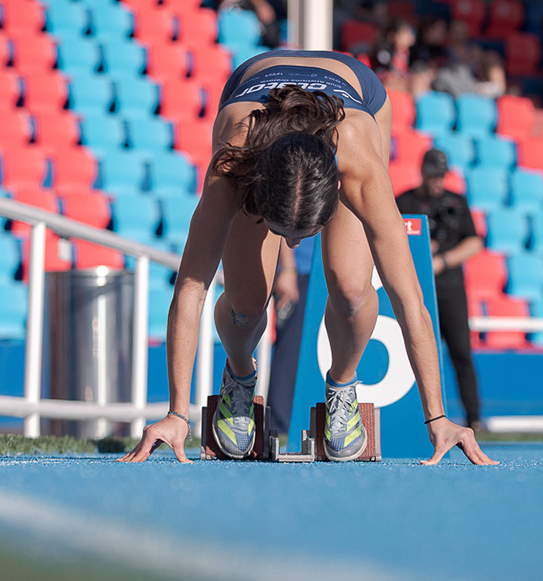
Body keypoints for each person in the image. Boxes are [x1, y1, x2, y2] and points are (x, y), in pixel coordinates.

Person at [119, 50, 495, 466]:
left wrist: (438, 417)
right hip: (252, 89)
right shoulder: (234, 160)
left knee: (352, 289)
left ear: (336, 192)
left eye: (305, 234)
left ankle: (343, 386)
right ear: (257, 194)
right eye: (283, 234)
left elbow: (409, 299)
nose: (294, 247)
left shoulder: (357, 159)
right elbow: (191, 288)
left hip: (359, 92)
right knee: (246, 302)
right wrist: (176, 412)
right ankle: (240, 377)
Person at [396, 149, 485, 431]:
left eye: (441, 176)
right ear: (422, 171)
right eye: (432, 175)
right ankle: (411, 416)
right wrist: (420, 255)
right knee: (411, 348)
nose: (436, 181)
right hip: (414, 286)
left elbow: (475, 242)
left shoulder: (456, 203)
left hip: (449, 288)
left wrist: (441, 261)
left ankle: (473, 416)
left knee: (461, 352)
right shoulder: (405, 201)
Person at [267, 236, 316, 436]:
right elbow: (280, 210)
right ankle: (278, 426)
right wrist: (287, 269)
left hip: (320, 266)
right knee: (290, 351)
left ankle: (290, 425)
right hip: (300, 268)